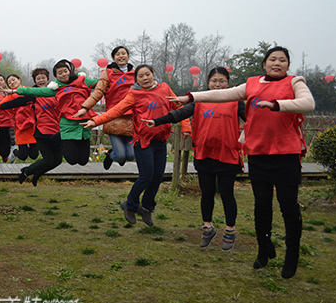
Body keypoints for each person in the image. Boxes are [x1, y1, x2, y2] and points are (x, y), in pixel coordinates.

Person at [169, 47, 315, 278]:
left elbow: (308, 103)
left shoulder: (295, 82)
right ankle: (264, 249)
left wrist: (277, 105)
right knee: (261, 206)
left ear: (288, 65)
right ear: (265, 64)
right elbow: (222, 95)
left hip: (286, 154)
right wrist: (191, 97)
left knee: (288, 207)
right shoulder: (252, 84)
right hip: (258, 154)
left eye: (282, 60)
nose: (277, 63)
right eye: (272, 59)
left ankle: (292, 256)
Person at [142, 67, 245, 250]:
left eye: (222, 81)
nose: (218, 84)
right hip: (204, 155)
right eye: (214, 81)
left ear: (228, 83)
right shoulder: (200, 100)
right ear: (208, 83)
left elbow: (254, 118)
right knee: (206, 193)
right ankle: (207, 228)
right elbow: (179, 114)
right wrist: (157, 121)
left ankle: (230, 230)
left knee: (227, 194)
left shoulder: (236, 102)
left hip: (227, 156)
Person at [84, 64, 191, 227]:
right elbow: (116, 110)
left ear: (153, 74)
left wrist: (186, 127)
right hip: (143, 141)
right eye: (140, 76)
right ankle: (130, 204)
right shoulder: (134, 94)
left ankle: (146, 207)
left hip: (161, 140)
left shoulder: (165, 88)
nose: (145, 78)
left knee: (157, 177)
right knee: (146, 176)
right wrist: (95, 121)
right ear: (136, 80)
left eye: (147, 74)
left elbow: (180, 107)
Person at [5, 60, 97, 166]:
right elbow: (34, 91)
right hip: (60, 125)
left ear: (70, 71)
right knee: (70, 159)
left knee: (82, 161)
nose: (63, 74)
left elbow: (101, 84)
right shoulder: (56, 89)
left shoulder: (82, 81)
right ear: (56, 76)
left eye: (65, 71)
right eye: (60, 73)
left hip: (81, 123)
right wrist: (15, 91)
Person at [0, 68, 61, 186]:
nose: (41, 80)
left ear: (48, 79)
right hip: (41, 131)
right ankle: (26, 171)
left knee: (57, 160)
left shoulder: (56, 92)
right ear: (35, 81)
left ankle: (36, 174)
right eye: (38, 78)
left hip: (57, 131)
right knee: (47, 159)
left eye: (43, 78)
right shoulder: (34, 95)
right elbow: (16, 102)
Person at [75, 46, 136, 168]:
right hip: (114, 117)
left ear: (128, 57)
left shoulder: (136, 73)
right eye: (117, 54)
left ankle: (113, 154)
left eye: (123, 53)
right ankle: (111, 155)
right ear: (113, 58)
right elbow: (98, 92)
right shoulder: (108, 74)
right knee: (120, 156)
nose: (121, 56)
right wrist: (85, 108)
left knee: (131, 155)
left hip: (132, 118)